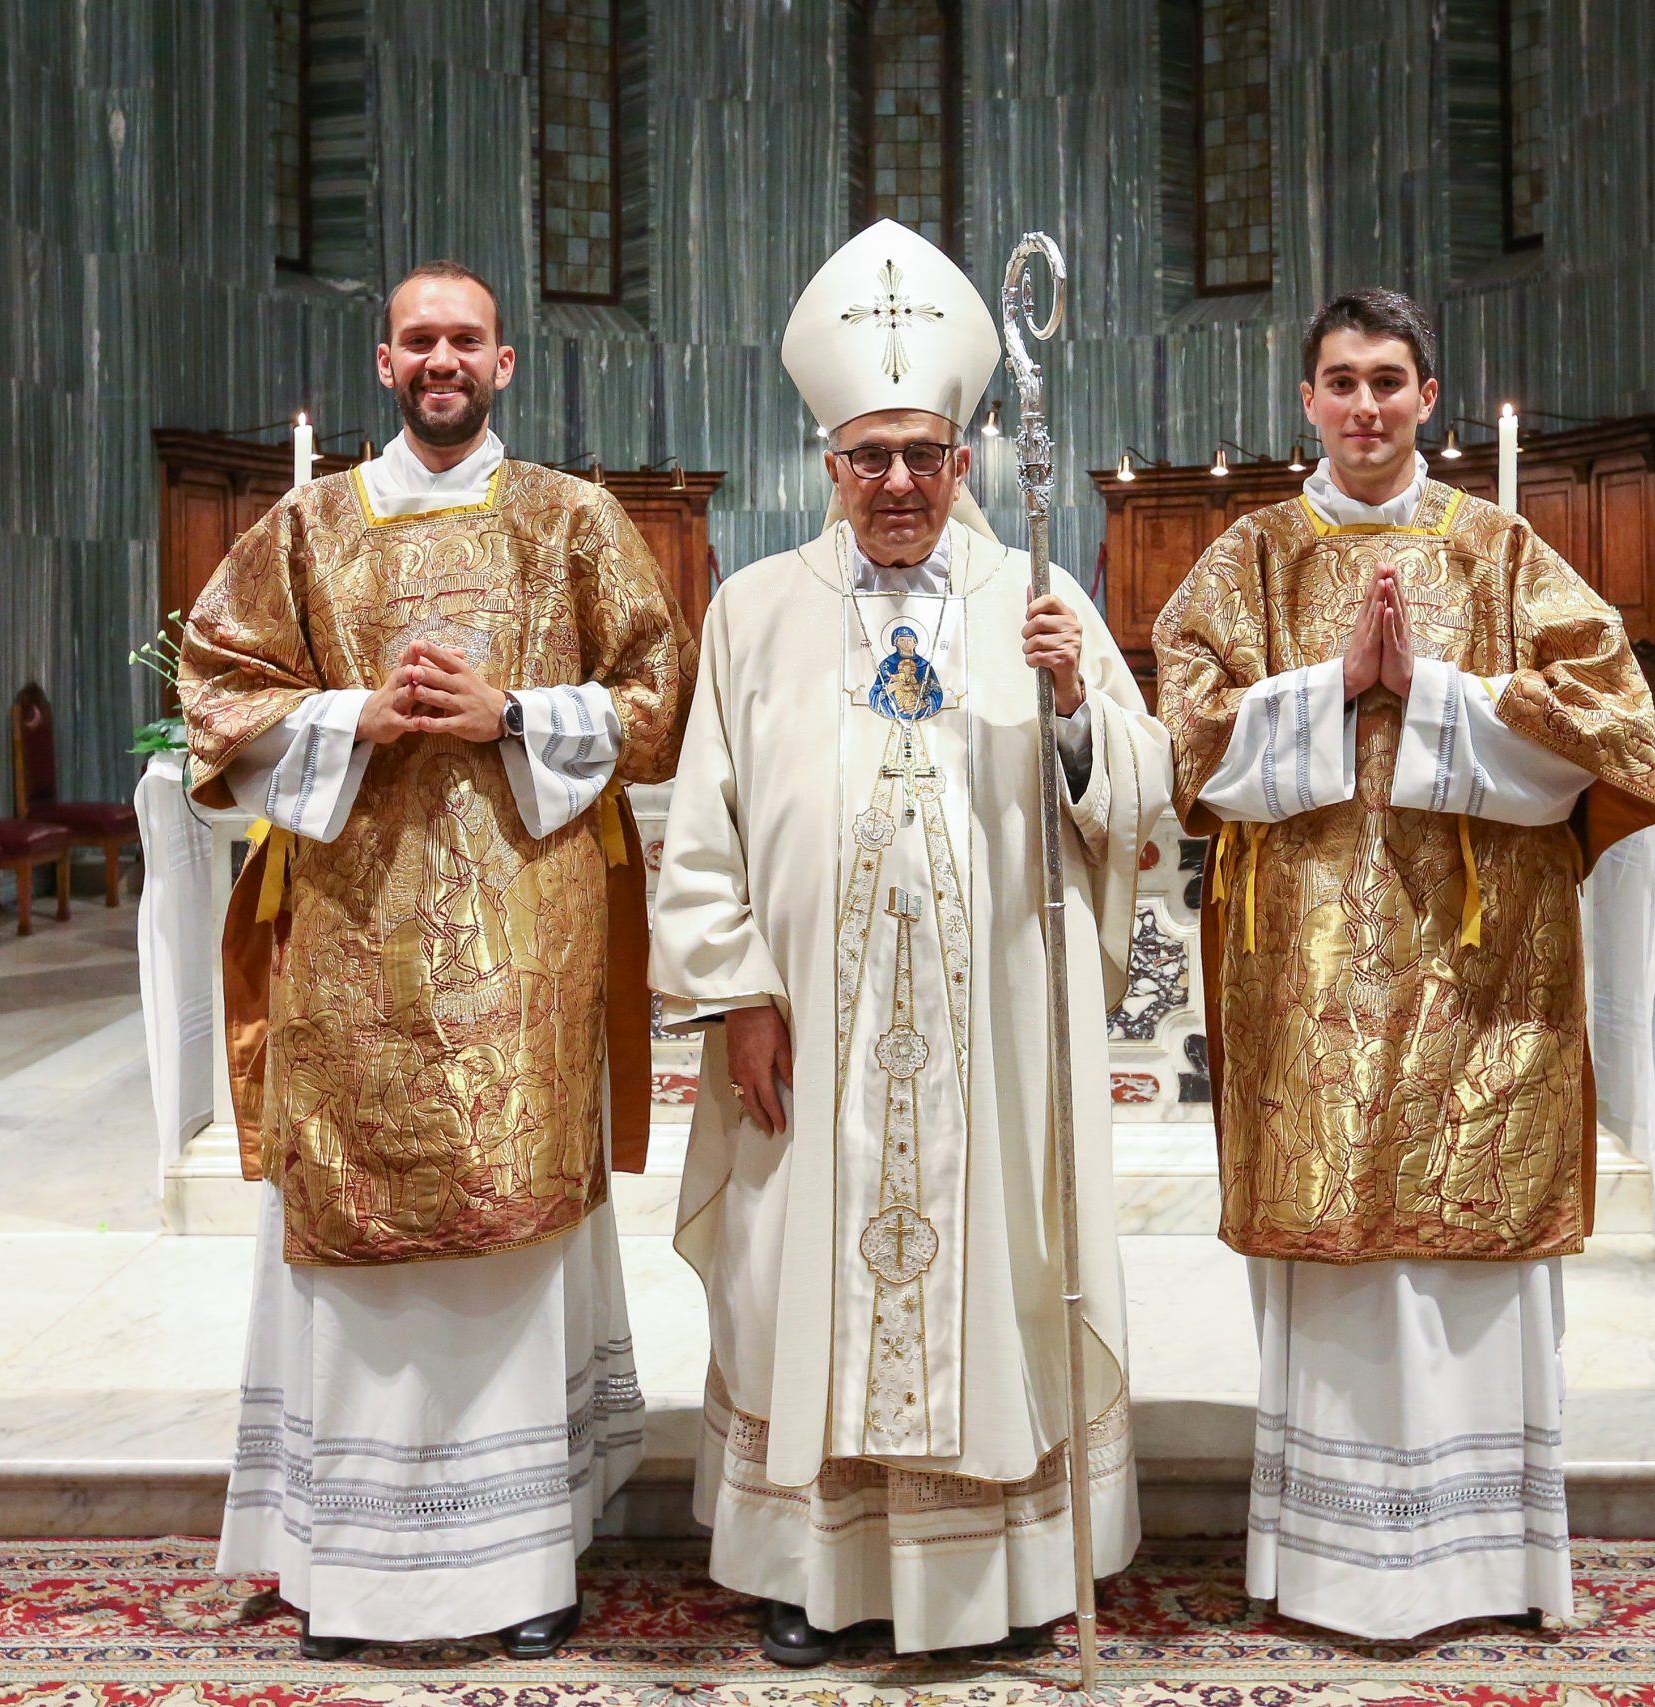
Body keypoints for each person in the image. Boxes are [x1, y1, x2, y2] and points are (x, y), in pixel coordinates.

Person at [650, 219, 1172, 1664]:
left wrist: (1075, 711)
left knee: (1000, 1269)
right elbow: (705, 827)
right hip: (807, 1031)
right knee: (790, 1277)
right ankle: (809, 1570)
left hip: (995, 1033)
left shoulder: (1040, 599)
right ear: (827, 461)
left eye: (922, 457)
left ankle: (996, 1575)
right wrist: (738, 992)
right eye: (868, 457)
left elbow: (1137, 790)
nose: (896, 484)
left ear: (966, 460)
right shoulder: (755, 610)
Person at [177, 258, 693, 1660]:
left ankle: (522, 1561)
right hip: (352, 942)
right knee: (358, 1248)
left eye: (466, 338)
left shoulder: (571, 520)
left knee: (511, 1237)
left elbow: (658, 698)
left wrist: (506, 709)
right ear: (386, 363)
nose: (444, 358)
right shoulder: (307, 525)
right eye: (420, 340)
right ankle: (350, 1564)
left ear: (506, 363)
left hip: (525, 947)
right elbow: (216, 693)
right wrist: (361, 717)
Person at [1152, 289, 1655, 1639]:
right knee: (1340, 1263)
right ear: (1308, 401)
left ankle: (1481, 1563)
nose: (1366, 404)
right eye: (1341, 380)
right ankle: (1332, 1563)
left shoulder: (1505, 550)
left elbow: (1619, 731)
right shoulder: (1250, 556)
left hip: (1480, 980)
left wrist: (1433, 691)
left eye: (1389, 378)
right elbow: (1189, 743)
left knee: (1464, 1257)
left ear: (1429, 396)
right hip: (1308, 981)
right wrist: (1331, 688)